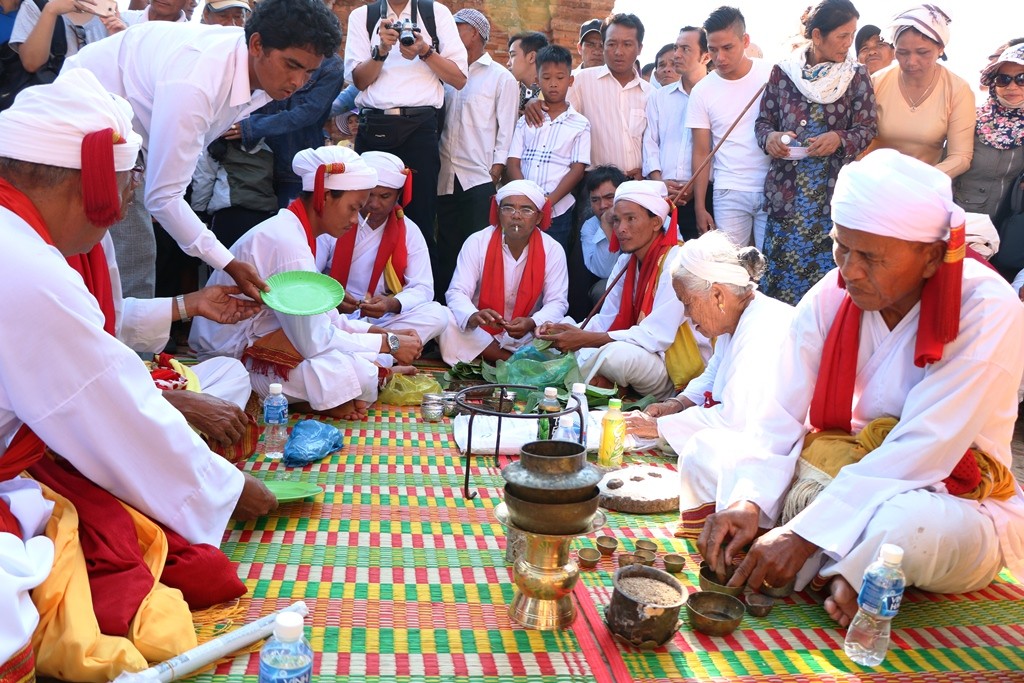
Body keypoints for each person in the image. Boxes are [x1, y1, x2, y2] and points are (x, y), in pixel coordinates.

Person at [0, 70, 276, 677]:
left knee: (219, 380)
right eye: (127, 180)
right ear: (92, 182)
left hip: (62, 420)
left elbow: (105, 348)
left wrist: (189, 308)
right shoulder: (25, 263)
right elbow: (106, 399)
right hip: (40, 451)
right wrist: (224, 490)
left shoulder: (41, 238)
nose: (128, 200)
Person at [689, 149, 1024, 627]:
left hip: (945, 492)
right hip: (838, 470)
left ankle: (843, 562)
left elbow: (925, 449)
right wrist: (749, 500)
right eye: (841, 247)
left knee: (902, 528)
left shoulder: (986, 308)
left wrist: (804, 533)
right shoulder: (832, 292)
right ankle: (843, 571)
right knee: (709, 451)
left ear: (931, 257)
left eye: (870, 256)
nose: (850, 269)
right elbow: (778, 414)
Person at [64, 0, 345, 303]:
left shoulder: (253, 71)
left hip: (126, 140)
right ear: (257, 44)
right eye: (292, 65)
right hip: (80, 128)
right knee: (128, 259)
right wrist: (227, 262)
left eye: (309, 73)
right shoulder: (198, 81)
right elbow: (164, 197)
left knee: (121, 264)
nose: (298, 82)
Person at [191, 146, 422, 421]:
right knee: (357, 373)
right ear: (325, 198)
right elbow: (313, 341)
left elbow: (325, 321)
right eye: (353, 208)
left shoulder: (294, 232)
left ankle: (318, 397)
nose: (353, 220)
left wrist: (378, 333)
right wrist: (391, 345)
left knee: (359, 368)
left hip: (267, 342)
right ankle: (300, 398)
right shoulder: (289, 243)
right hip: (230, 361)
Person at [622, 232, 793, 506]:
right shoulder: (736, 321)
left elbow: (733, 420)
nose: (687, 316)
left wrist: (658, 427)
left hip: (778, 452)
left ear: (717, 294)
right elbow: (713, 373)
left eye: (688, 303)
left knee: (702, 453)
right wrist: (676, 404)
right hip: (759, 441)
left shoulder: (762, 328)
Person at [538, 181, 709, 400]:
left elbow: (655, 336)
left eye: (631, 219)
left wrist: (584, 339)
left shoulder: (677, 263)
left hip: (674, 368)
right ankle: (597, 385)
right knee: (567, 332)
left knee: (617, 356)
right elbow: (606, 319)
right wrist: (570, 332)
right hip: (644, 355)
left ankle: (572, 388)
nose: (620, 229)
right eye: (616, 220)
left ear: (656, 222)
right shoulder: (625, 263)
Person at [756, 0, 877, 305]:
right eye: (842, 36)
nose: (849, 44)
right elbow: (763, 123)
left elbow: (868, 128)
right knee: (778, 287)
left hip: (830, 199)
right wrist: (771, 137)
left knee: (825, 291)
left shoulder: (856, 76)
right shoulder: (783, 73)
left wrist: (839, 138)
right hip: (788, 198)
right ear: (818, 35)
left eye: (852, 35)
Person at [345, 0, 468, 257]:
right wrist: (381, 50)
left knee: (420, 218)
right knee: (362, 214)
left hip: (420, 129)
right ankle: (360, 288)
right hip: (374, 126)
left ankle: (416, 292)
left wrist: (425, 50)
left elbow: (458, 78)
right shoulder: (363, 16)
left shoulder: (435, 13)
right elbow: (359, 80)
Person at [436, 8, 518, 301]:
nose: (451, 34)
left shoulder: (501, 77)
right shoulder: (445, 74)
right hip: (444, 175)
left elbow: (507, 129)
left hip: (479, 176)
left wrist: (496, 168)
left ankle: (477, 317)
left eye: (458, 28)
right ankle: (443, 318)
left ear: (476, 33)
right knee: (446, 248)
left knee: (477, 251)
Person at [440, 179, 569, 365]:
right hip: (482, 333)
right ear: (498, 213)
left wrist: (532, 322)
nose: (516, 216)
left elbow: (557, 302)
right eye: (508, 208)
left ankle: (497, 358)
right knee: (444, 317)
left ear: (539, 217)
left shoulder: (552, 249)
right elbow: (457, 292)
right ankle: (511, 362)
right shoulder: (477, 242)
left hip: (529, 335)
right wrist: (474, 315)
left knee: (569, 326)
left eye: (526, 210)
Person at [325, 151, 447, 345]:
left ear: (398, 195)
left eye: (384, 196)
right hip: (334, 313)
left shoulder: (409, 230)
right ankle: (384, 348)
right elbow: (310, 270)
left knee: (438, 314)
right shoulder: (337, 221)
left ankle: (373, 345)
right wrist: (330, 296)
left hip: (383, 317)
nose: (374, 204)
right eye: (369, 195)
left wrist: (392, 303)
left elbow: (422, 287)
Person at [686, 6, 773, 248]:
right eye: (713, 50)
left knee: (769, 269)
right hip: (728, 191)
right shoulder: (702, 91)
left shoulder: (772, 74)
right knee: (731, 270)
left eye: (727, 48)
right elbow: (701, 152)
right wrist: (700, 206)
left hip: (772, 188)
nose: (720, 58)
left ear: (745, 41)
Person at [861, 5, 975, 178]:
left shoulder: (958, 90)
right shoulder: (876, 83)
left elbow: (960, 156)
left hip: (924, 186)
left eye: (922, 52)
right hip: (872, 180)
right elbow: (858, 138)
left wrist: (920, 180)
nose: (911, 62)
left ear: (941, 48)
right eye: (903, 53)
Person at [507, 44, 591, 252]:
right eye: (546, 78)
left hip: (557, 211)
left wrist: (546, 202)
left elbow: (577, 169)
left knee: (550, 260)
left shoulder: (580, 124)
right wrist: (526, 198)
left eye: (560, 78)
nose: (553, 84)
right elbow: (513, 162)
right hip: (521, 207)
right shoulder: (527, 119)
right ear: (537, 80)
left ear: (570, 81)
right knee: (518, 256)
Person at [644, 25, 712, 242]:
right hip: (662, 194)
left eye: (685, 49)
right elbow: (650, 142)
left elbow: (717, 148)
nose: (676, 55)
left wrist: (695, 186)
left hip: (705, 196)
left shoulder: (716, 94)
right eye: (676, 47)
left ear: (706, 56)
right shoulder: (659, 97)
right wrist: (659, 182)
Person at [562, 13, 650, 179]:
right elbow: (558, 120)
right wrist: (534, 104)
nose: (618, 51)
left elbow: (653, 143)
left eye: (627, 44)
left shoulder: (650, 93)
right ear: (603, 46)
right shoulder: (580, 81)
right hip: (593, 185)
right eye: (611, 44)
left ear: (639, 48)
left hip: (637, 185)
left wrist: (645, 171)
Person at [953, 44, 1024, 224]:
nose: (1012, 86)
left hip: (1010, 229)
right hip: (959, 223)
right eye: (1003, 79)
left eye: (1021, 79)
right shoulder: (970, 117)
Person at [580, 165, 627, 303]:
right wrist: (606, 224)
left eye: (609, 197)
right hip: (615, 281)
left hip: (647, 276)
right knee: (602, 290)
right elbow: (604, 271)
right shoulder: (590, 227)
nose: (602, 206)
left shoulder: (647, 215)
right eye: (595, 200)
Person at [507, 30, 548, 111]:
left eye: (513, 55)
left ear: (532, 57)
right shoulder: (508, 92)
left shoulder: (554, 95)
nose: (508, 63)